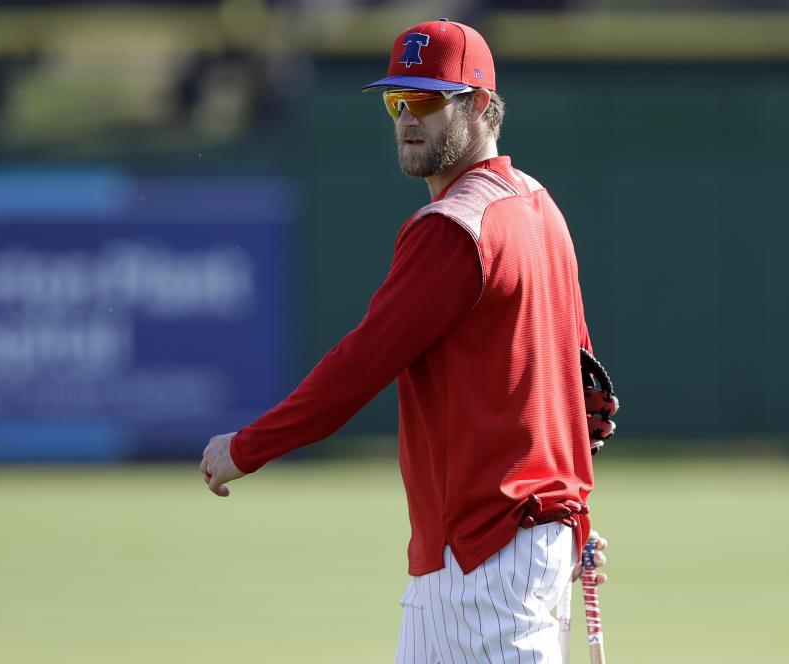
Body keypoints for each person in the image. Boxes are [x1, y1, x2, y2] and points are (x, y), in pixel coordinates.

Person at [201, 18, 607, 663]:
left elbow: (361, 364)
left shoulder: (453, 226)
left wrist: (248, 447)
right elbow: (587, 389)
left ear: (476, 106)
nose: (406, 118)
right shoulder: (536, 203)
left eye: (425, 100)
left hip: (483, 554)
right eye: (396, 102)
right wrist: (565, 515)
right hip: (504, 547)